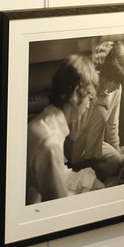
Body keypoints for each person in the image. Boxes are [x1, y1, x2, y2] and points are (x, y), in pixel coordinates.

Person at [27, 55, 104, 204]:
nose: (88, 105)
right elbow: (58, 204)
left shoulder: (46, 121)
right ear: (76, 94)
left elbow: (59, 172)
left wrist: (90, 181)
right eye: (89, 96)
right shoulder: (50, 143)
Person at [67, 41, 124, 181]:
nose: (117, 87)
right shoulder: (87, 84)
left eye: (120, 82)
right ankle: (81, 168)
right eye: (115, 81)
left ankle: (88, 170)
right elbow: (73, 133)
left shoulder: (117, 89)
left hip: (95, 146)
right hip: (75, 144)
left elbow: (112, 124)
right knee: (101, 112)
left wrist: (116, 149)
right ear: (105, 75)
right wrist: (93, 102)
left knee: (118, 162)